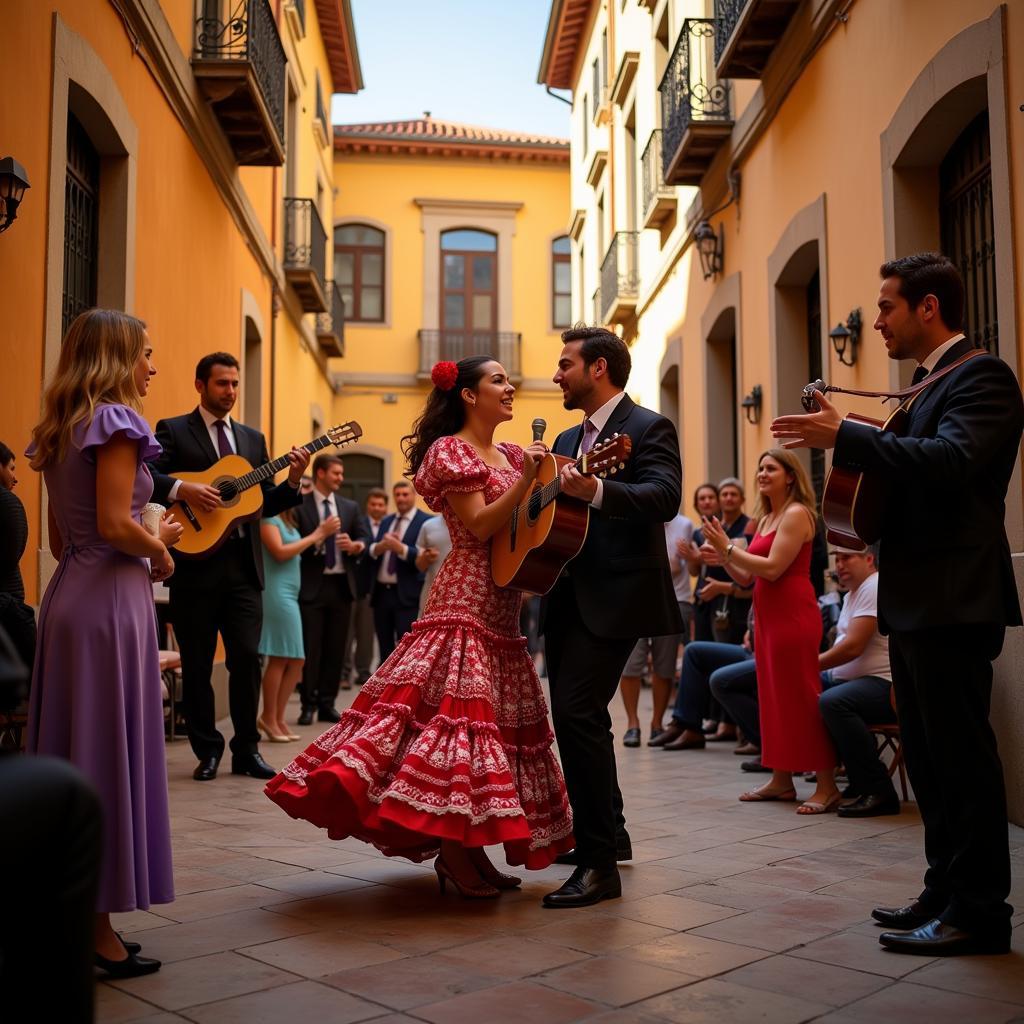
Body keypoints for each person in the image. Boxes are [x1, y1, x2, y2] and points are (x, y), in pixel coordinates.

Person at [771, 252, 1024, 956]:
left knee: (962, 761)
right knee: (931, 759)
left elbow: (952, 463)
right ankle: (943, 890)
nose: (876, 320)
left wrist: (846, 435)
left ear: (929, 307)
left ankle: (980, 912)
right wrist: (851, 437)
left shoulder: (983, 378)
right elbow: (897, 476)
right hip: (915, 599)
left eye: (886, 306)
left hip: (954, 598)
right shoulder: (921, 388)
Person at [266, 356, 573, 898]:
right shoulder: (449, 450)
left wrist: (553, 483)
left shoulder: (506, 452)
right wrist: (527, 478)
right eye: (498, 380)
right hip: (464, 599)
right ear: (469, 396)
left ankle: (471, 853)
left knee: (490, 733)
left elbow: (522, 521)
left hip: (505, 604)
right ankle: (454, 854)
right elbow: (477, 525)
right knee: (458, 724)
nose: (511, 388)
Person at [26, 308, 182, 976]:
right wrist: (161, 551)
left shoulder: (60, 429)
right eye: (146, 353)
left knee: (75, 751)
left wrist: (132, 546)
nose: (153, 366)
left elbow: (64, 541)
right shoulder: (118, 421)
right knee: (104, 757)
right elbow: (120, 524)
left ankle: (81, 919)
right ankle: (95, 933)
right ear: (118, 358)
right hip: (110, 603)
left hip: (69, 598)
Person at [542, 326, 683, 908]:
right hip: (567, 593)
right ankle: (610, 832)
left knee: (575, 714)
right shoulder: (570, 435)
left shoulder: (649, 427)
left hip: (620, 595)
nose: (557, 375)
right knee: (580, 716)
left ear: (598, 368)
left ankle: (600, 866)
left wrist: (595, 490)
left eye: (565, 364)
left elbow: (665, 497)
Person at [149, 352, 309, 782]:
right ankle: (208, 751)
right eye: (223, 384)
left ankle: (247, 751)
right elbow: (146, 477)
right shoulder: (174, 430)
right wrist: (185, 489)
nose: (231, 392)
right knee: (198, 664)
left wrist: (292, 481)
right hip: (195, 568)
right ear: (200, 385)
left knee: (246, 660)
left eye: (235, 384)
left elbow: (263, 503)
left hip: (243, 571)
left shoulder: (253, 440)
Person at [702, 449, 840, 814]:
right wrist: (724, 557)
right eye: (760, 468)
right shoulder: (766, 519)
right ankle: (781, 780)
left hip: (793, 614)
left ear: (790, 476)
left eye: (771, 468)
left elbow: (775, 568)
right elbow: (748, 577)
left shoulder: (797, 514)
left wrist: (728, 548)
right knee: (773, 696)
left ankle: (827, 785)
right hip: (766, 614)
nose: (762, 474)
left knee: (803, 696)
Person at [818, 545, 899, 818]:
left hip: (884, 686)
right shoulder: (854, 592)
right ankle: (838, 777)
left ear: (869, 558)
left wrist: (809, 665)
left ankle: (879, 790)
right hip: (859, 683)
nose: (839, 564)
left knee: (833, 701)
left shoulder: (873, 586)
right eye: (837, 559)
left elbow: (853, 647)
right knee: (806, 692)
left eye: (847, 558)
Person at [294, 454, 368, 725]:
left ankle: (327, 703)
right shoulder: (300, 506)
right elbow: (296, 543)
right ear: (321, 473)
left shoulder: (349, 507)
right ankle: (308, 705)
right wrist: (320, 536)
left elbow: (364, 537)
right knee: (311, 649)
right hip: (312, 585)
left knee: (336, 649)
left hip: (341, 586)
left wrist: (356, 545)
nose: (341, 478)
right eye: (336, 473)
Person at [257, 506, 340, 741]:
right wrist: (317, 534)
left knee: (295, 659)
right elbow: (280, 552)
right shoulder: (269, 518)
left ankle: (278, 718)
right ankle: (269, 717)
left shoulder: (288, 521)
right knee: (280, 656)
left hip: (290, 593)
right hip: (277, 594)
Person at [618, 511, 694, 747]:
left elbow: (679, 568)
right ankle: (632, 724)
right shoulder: (632, 519)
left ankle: (657, 724)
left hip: (673, 599)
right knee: (630, 665)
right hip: (635, 600)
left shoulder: (685, 524)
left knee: (664, 666)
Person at [368, 480, 431, 662]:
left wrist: (400, 548)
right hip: (381, 593)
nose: (401, 498)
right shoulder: (386, 521)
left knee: (406, 649)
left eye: (405, 494)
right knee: (384, 648)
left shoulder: (425, 521)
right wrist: (380, 547)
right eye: (397, 495)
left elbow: (424, 556)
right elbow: (374, 550)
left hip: (407, 594)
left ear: (414, 496)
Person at [344, 487, 388, 686]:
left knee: (366, 633)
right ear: (367, 505)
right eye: (373, 504)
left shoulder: (390, 525)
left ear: (386, 507)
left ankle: (363, 671)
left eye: (380, 504)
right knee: (347, 632)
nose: (377, 508)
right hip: (353, 584)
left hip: (374, 587)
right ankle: (344, 672)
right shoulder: (358, 522)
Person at [0, 441, 35, 669]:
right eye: (11, 468)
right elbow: (12, 555)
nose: (15, 477)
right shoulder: (8, 502)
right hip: (7, 611)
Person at [415, 512, 452, 616]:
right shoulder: (428, 526)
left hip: (463, 596)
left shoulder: (471, 524)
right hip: (431, 594)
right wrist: (426, 558)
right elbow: (419, 566)